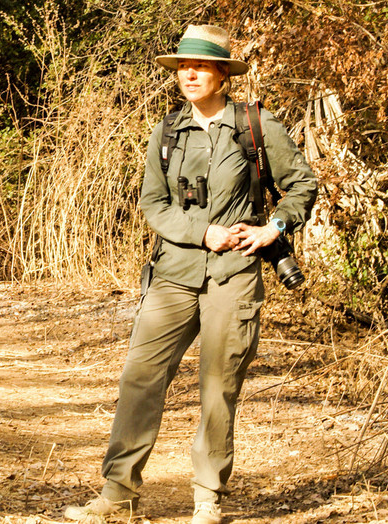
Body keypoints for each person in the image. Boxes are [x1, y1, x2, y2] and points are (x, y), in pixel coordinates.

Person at [64, 24, 318, 524]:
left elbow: (301, 185)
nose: (190, 74)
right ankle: (118, 494)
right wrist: (202, 232)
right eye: (183, 66)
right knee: (140, 378)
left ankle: (208, 499)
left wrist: (272, 229)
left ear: (223, 73)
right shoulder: (166, 131)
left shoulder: (257, 126)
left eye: (201, 66)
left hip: (235, 274)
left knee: (218, 387)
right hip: (174, 272)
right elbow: (153, 205)